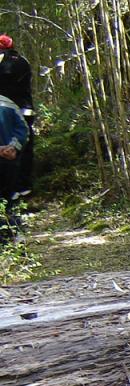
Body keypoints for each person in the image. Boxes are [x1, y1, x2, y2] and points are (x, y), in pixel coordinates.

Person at [0, 35, 32, 200]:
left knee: (8, 148)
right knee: (23, 147)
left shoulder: (7, 62)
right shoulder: (23, 61)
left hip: (8, 111)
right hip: (23, 109)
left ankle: (12, 191)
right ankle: (23, 187)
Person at [0, 90, 27, 242]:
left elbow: (23, 128)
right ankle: (15, 236)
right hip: (9, 160)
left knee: (7, 199)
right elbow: (23, 129)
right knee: (8, 199)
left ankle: (9, 239)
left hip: (7, 161)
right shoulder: (8, 103)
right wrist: (13, 147)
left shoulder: (7, 103)